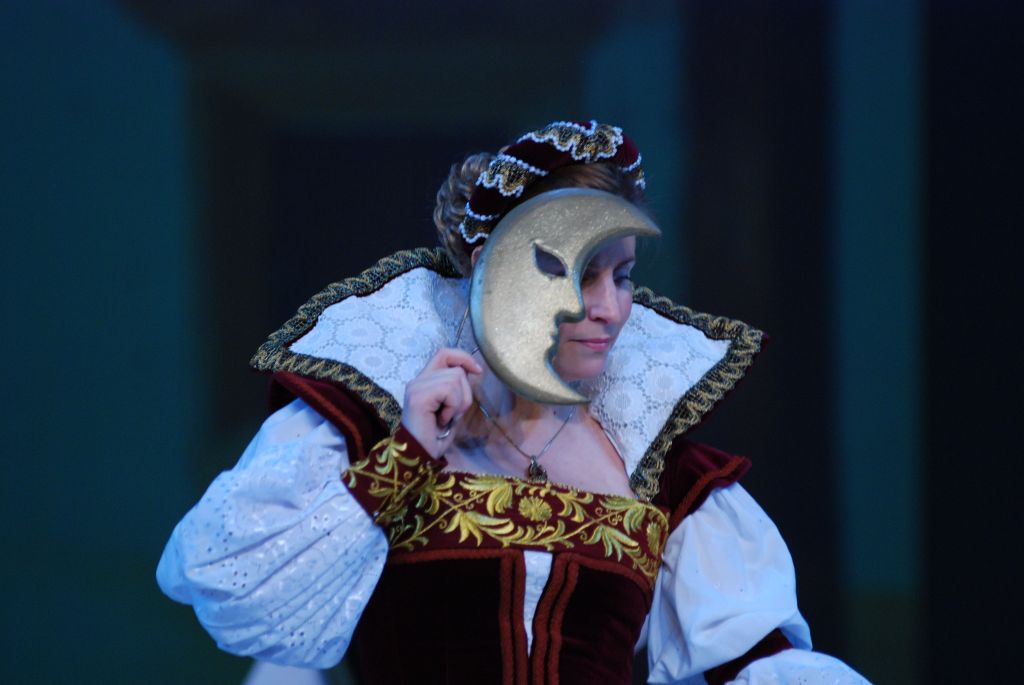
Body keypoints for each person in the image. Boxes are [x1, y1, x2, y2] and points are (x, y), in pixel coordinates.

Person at [157, 120, 870, 684]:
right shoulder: (366, 425)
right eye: (581, 274)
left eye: (623, 275)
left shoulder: (660, 472)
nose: (610, 308)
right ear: (490, 265)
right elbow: (233, 593)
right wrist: (403, 461)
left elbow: (760, 664)